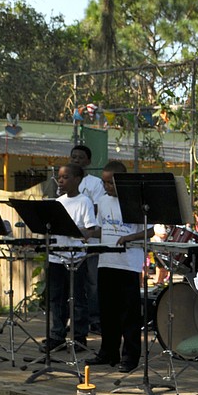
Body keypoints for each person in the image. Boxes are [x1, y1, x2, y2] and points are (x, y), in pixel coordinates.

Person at [85, 161, 153, 373]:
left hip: (128, 264)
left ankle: (130, 357)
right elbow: (101, 229)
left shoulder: (134, 200)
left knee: (129, 313)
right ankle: (108, 352)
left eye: (111, 182)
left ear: (122, 180)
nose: (107, 187)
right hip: (106, 260)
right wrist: (86, 232)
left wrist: (129, 237)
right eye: (104, 182)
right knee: (107, 311)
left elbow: (149, 232)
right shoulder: (103, 201)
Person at [47, 163, 97, 352]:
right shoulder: (58, 202)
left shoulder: (84, 201)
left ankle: (79, 337)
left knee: (77, 299)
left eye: (65, 177)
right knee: (56, 298)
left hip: (75, 258)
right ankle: (57, 335)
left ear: (77, 179)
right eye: (59, 177)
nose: (61, 180)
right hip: (56, 256)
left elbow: (89, 230)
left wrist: (71, 230)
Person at [69, 144, 106, 333]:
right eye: (73, 157)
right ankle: (76, 320)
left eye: (80, 157)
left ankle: (95, 319)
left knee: (93, 282)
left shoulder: (95, 183)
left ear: (88, 161)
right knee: (74, 283)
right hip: (70, 243)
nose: (76, 160)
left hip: (91, 241)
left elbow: (99, 208)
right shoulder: (64, 181)